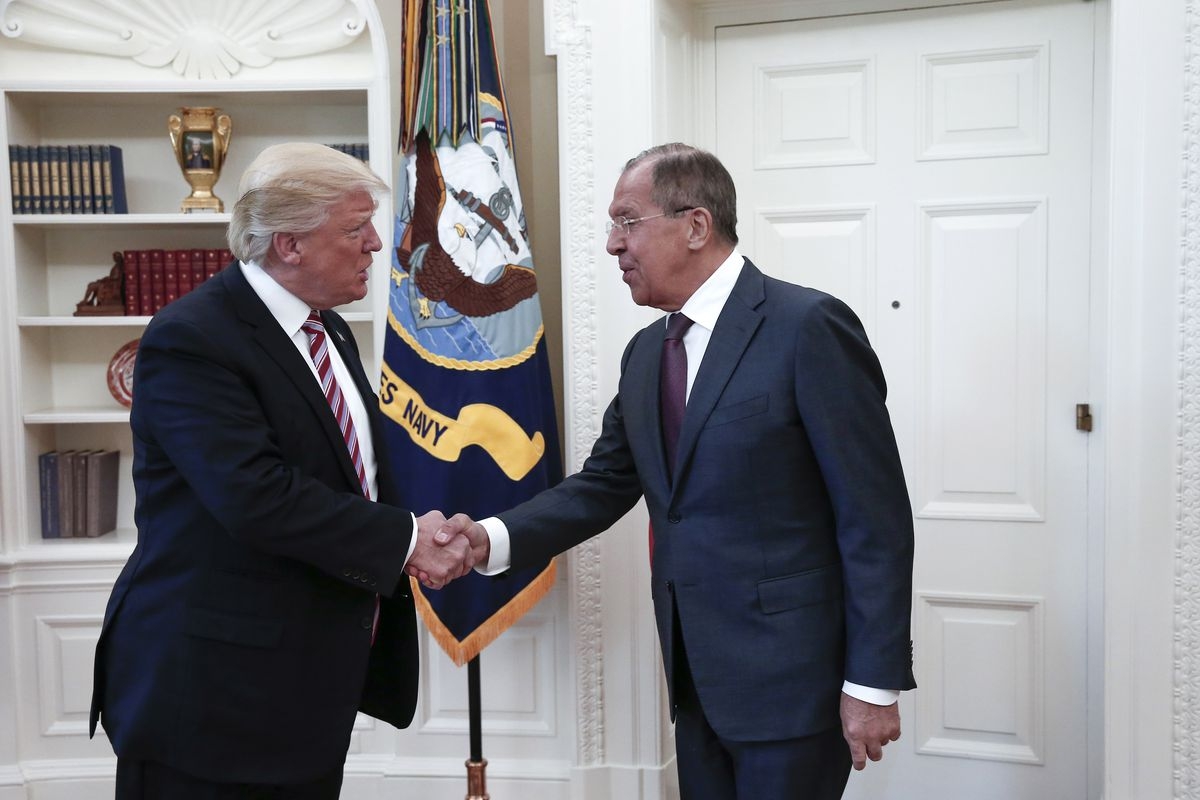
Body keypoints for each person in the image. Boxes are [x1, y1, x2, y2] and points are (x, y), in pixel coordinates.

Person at [426, 143, 916, 799]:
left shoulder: (807, 327)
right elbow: (602, 485)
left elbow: (874, 517)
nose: (612, 244)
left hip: (795, 686)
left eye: (627, 222)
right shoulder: (646, 354)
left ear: (696, 226)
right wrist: (488, 538)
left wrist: (874, 681)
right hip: (694, 680)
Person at [89, 143, 478, 799]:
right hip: (211, 700)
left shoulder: (328, 329)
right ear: (289, 245)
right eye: (356, 228)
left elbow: (352, 473)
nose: (376, 243)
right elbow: (256, 497)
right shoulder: (192, 338)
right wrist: (409, 541)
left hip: (305, 691)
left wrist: (428, 528)